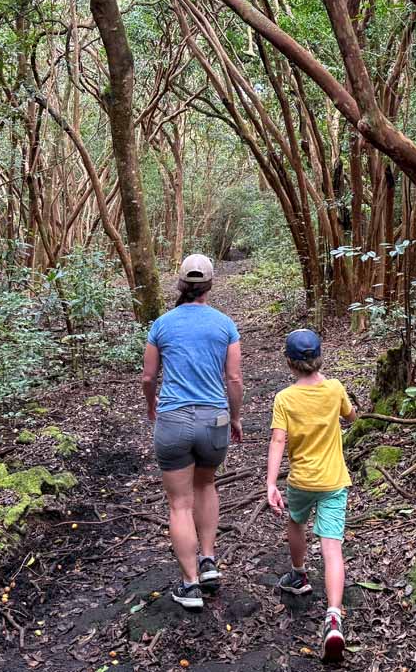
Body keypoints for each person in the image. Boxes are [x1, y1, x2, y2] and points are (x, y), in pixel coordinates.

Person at [141, 254, 243, 610]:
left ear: (181, 284)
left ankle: (189, 585)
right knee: (206, 485)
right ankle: (209, 560)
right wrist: (235, 417)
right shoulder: (225, 325)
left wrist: (152, 405)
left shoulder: (162, 325)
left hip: (173, 420)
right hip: (214, 420)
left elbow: (148, 377)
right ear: (210, 285)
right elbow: (234, 378)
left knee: (180, 504)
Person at [265, 329, 356, 662]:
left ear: (289, 363)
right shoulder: (334, 388)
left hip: (301, 480)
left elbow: (278, 440)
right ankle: (333, 617)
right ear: (320, 358)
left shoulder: (285, 398)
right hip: (333, 481)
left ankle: (299, 574)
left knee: (296, 521)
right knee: (332, 547)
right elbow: (351, 416)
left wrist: (271, 483)